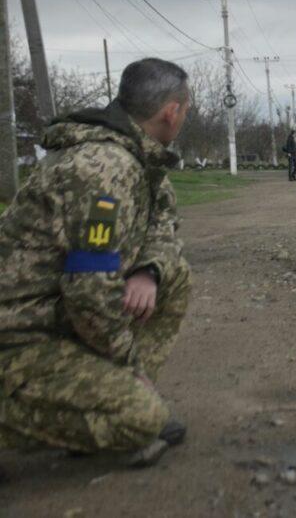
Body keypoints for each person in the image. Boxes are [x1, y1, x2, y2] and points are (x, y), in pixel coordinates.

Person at [0, 58, 193, 469]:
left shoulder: (137, 156)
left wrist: (149, 270)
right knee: (142, 420)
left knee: (173, 275)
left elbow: (163, 221)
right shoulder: (104, 169)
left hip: (53, 319)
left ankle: (97, 403)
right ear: (171, 112)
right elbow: (88, 290)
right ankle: (94, 410)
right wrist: (128, 365)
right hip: (18, 334)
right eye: (186, 109)